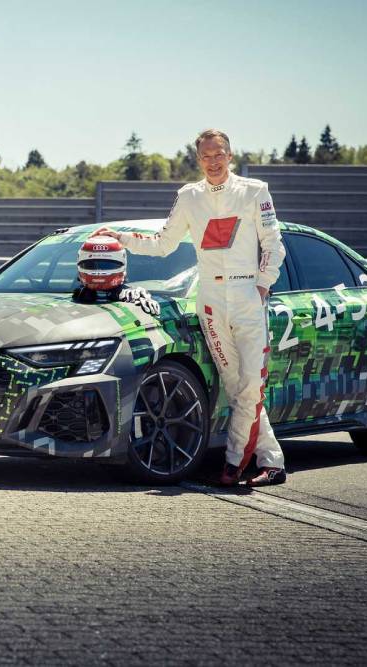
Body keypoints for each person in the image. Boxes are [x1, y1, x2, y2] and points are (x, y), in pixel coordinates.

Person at [97, 129, 286, 487]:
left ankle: (233, 464)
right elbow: (162, 244)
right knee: (236, 387)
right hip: (210, 301)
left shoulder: (255, 191)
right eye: (206, 156)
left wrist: (262, 284)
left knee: (250, 387)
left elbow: (274, 244)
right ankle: (272, 463)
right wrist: (120, 238)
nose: (213, 162)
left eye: (219, 154)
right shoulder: (189, 196)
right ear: (198, 160)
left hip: (248, 296)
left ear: (230, 155)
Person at [73, 235, 160, 316]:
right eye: (91, 265)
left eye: (106, 265)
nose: (99, 271)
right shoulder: (76, 297)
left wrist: (143, 301)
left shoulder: (132, 296)